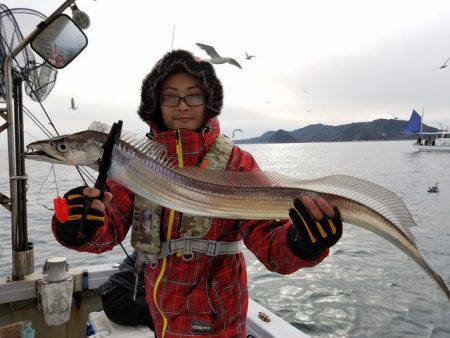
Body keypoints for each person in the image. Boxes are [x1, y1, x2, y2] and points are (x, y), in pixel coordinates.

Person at [52, 49, 343, 338]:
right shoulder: (133, 162)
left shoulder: (236, 163)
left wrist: (301, 243)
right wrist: (79, 225)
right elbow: (109, 229)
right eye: (170, 96)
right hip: (162, 318)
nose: (182, 106)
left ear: (208, 101)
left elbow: (269, 243)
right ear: (156, 103)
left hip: (222, 322)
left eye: (193, 95)